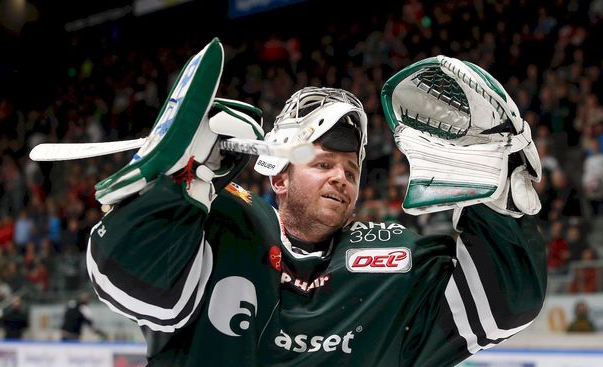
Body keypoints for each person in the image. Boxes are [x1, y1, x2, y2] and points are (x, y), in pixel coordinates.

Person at [85, 40, 546, 366]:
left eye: (350, 170)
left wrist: (498, 204)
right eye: (323, 163)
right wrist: (180, 184)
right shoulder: (223, 221)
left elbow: (505, 306)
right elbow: (128, 280)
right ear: (280, 175)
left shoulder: (393, 260)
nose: (341, 178)